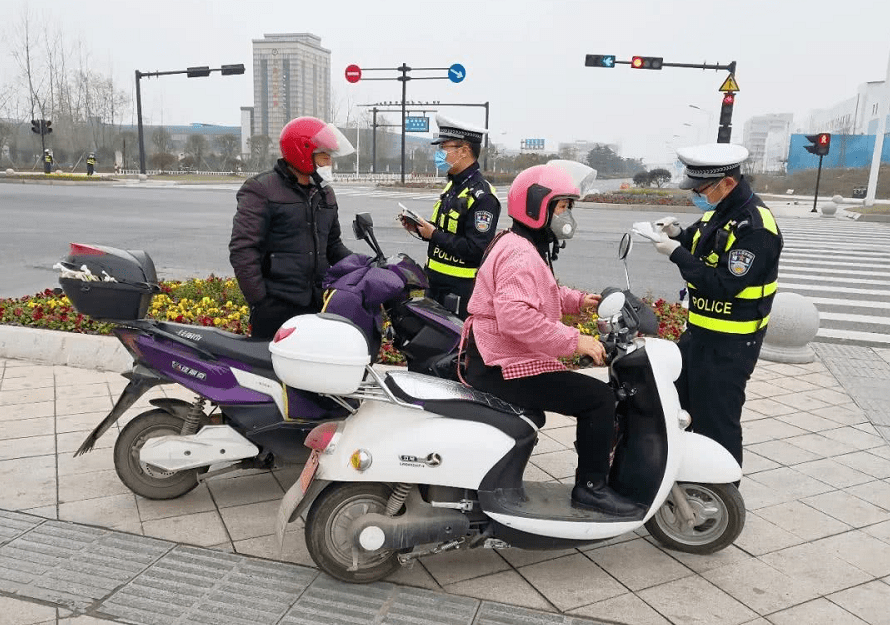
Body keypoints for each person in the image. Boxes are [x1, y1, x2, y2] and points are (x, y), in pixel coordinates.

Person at [461, 163, 643, 517]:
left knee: (593, 396)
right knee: (598, 400)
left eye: (569, 207)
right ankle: (591, 489)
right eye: (562, 206)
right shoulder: (520, 253)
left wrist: (578, 301)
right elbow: (516, 316)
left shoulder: (521, 243)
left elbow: (540, 293)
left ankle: (596, 477)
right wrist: (575, 341)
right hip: (502, 366)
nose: (567, 215)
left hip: (499, 357)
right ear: (536, 206)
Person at [650, 143, 783, 467]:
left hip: (731, 346)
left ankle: (722, 493)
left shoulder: (756, 227)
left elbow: (724, 285)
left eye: (701, 188)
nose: (697, 193)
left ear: (727, 182)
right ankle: (689, 475)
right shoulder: (721, 211)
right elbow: (697, 239)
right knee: (678, 407)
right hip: (698, 336)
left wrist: (675, 253)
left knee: (717, 422)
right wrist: (677, 234)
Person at [229, 116, 355, 339]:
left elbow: (333, 246)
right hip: (277, 307)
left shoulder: (325, 193)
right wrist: (260, 301)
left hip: (318, 305)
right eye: (324, 157)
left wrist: (362, 266)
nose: (329, 164)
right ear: (303, 153)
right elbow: (243, 250)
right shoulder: (261, 190)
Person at [399, 113, 500, 318]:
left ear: (463, 151)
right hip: (435, 282)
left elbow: (477, 249)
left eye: (443, 147)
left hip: (459, 291)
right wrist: (420, 227)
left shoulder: (483, 195)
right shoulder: (454, 186)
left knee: (454, 349)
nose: (439, 154)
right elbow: (447, 230)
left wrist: (434, 234)